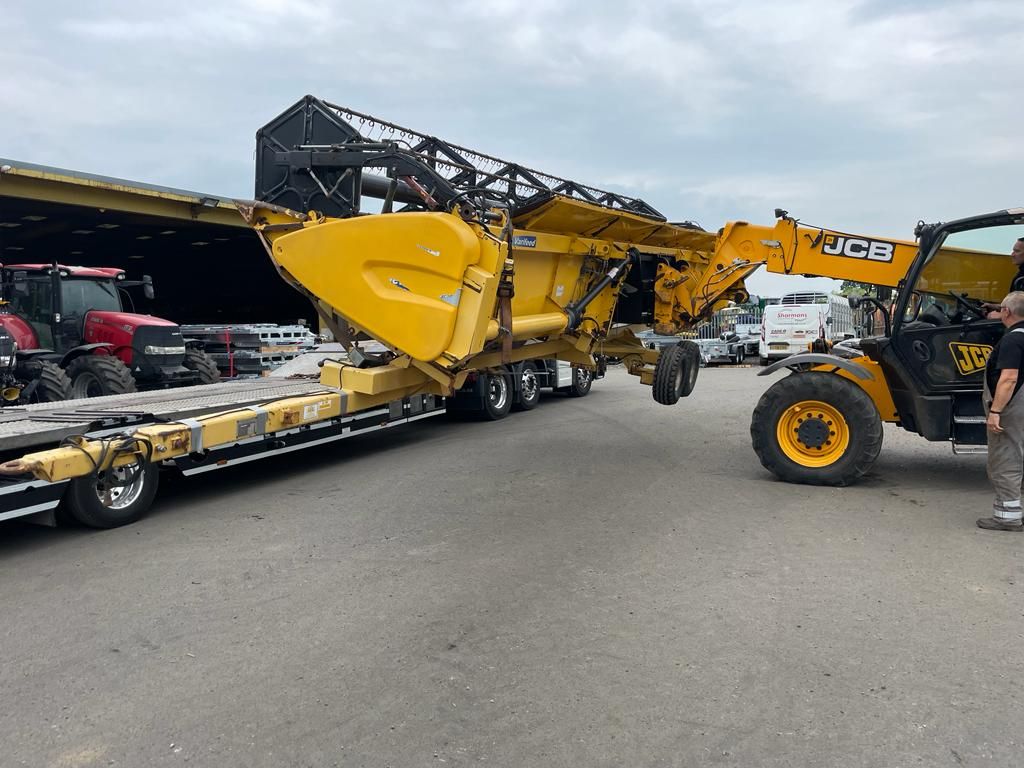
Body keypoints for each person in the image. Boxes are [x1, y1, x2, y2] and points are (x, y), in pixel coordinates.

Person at [977, 291, 1024, 531]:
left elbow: (1009, 378)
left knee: (1006, 460)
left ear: (1006, 312)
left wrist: (996, 411)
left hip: (1012, 407)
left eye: (1001, 309)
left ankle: (1008, 517)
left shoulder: (1013, 340)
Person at [984, 238, 1024, 318]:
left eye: (1017, 251)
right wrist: (997, 307)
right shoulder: (1021, 274)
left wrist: (997, 316)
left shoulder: (1021, 279)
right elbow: (1017, 305)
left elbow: (1019, 312)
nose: (1012, 254)